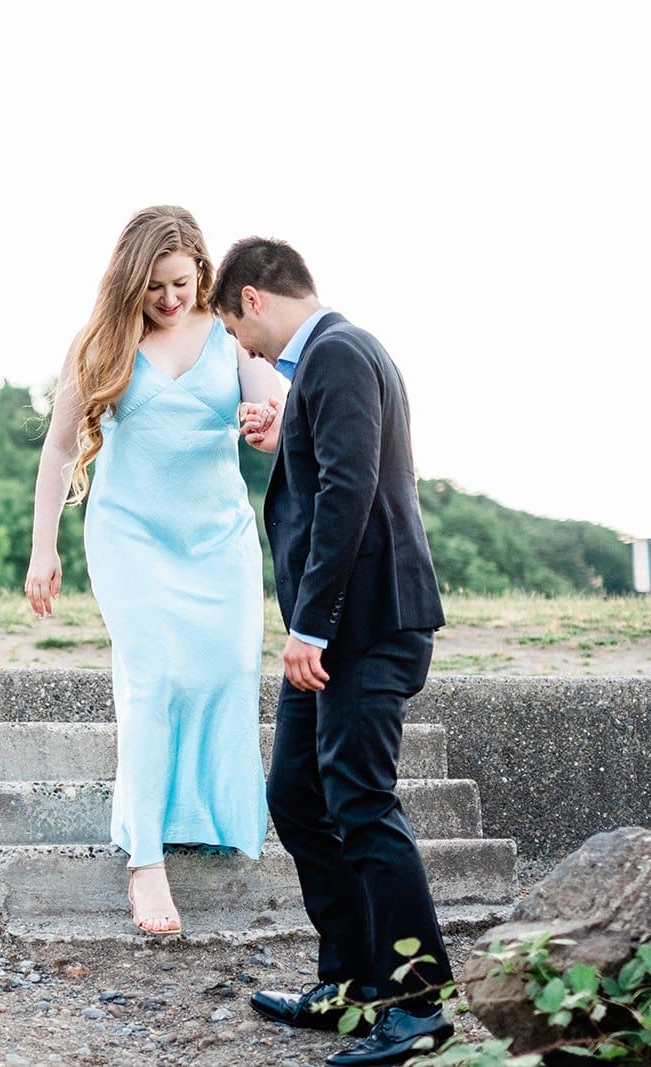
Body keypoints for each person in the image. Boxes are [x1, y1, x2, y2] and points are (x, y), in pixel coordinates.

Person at [216, 237, 455, 1066]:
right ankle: (353, 980)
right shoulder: (327, 363)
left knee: (360, 799)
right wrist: (284, 433)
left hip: (365, 625)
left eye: (238, 331)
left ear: (253, 298)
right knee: (297, 792)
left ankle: (418, 1003)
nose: (244, 351)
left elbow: (351, 492)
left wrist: (308, 624)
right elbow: (330, 469)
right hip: (338, 628)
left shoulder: (340, 351)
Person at [24, 206, 287, 936]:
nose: (169, 299)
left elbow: (279, 413)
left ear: (202, 270)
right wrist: (43, 548)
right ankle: (145, 862)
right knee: (154, 678)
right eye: (153, 288)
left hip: (218, 541)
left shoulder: (230, 337)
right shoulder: (104, 340)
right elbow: (57, 448)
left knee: (228, 671)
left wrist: (270, 426)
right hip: (130, 536)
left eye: (180, 282)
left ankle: (202, 814)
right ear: (129, 285)